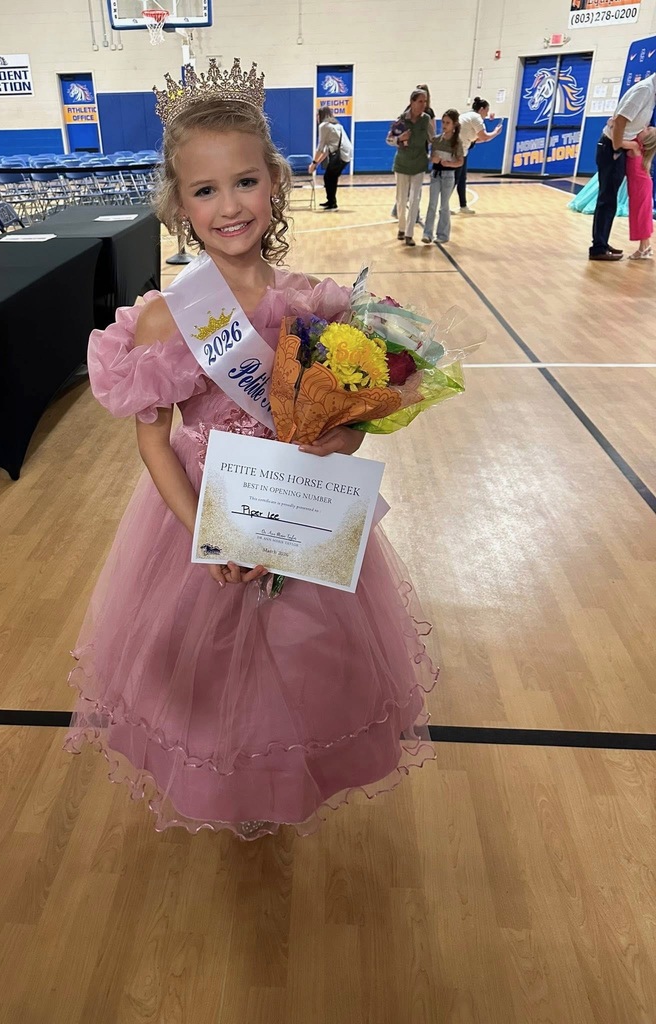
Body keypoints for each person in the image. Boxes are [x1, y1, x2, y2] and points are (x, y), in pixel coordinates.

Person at [64, 59, 439, 841]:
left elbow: (356, 408)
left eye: (244, 183)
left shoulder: (318, 302)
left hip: (300, 512)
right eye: (204, 191)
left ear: (276, 183)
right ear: (178, 206)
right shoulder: (172, 317)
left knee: (297, 658)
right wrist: (202, 530)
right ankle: (228, 787)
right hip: (203, 513)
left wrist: (350, 430)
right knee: (207, 671)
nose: (228, 206)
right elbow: (154, 439)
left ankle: (284, 781)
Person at [589, 72, 656, 261]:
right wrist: (619, 146)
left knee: (610, 198)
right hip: (612, 148)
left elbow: (621, 120)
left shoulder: (650, 93)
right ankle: (598, 247)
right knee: (607, 198)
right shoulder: (645, 90)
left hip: (616, 146)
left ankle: (602, 242)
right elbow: (620, 121)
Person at [387, 88, 432, 246]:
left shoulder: (426, 119)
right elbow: (389, 140)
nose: (423, 105)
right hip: (402, 164)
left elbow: (432, 138)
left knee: (415, 199)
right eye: (420, 101)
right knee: (401, 199)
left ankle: (409, 233)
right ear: (412, 102)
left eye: (425, 102)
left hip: (419, 164)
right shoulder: (401, 119)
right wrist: (400, 138)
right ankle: (401, 227)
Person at [454, 97, 503, 215]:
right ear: (481, 109)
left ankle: (463, 206)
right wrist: (496, 132)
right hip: (458, 152)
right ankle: (444, 206)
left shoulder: (468, 116)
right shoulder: (476, 118)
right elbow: (484, 137)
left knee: (460, 179)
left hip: (460, 150)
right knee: (455, 179)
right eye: (486, 111)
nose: (486, 114)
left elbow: (476, 139)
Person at [422, 109, 464, 245]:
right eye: (443, 122)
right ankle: (427, 233)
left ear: (454, 125)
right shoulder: (436, 140)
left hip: (448, 176)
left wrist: (450, 164)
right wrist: (431, 159)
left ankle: (443, 234)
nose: (444, 125)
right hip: (435, 174)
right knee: (432, 204)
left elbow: (460, 161)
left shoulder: (457, 142)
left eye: (448, 123)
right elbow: (431, 156)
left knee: (444, 206)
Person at [620, 126, 656, 259]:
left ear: (646, 139)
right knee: (641, 215)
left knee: (641, 215)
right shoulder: (638, 145)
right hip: (638, 186)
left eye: (647, 129)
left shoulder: (635, 146)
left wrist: (612, 125)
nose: (644, 128)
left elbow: (618, 142)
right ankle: (646, 246)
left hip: (640, 187)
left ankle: (643, 248)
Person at [309, 105, 352, 211]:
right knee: (330, 177)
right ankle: (331, 201)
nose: (316, 118)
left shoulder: (324, 126)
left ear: (320, 115)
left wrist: (313, 163)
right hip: (345, 154)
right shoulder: (336, 125)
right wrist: (317, 163)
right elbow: (327, 150)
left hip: (340, 154)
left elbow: (320, 147)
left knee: (329, 177)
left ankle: (332, 203)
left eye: (317, 115)